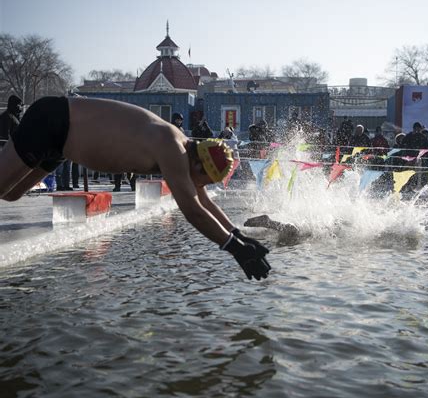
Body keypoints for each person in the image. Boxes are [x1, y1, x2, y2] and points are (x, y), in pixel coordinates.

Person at [0, 96, 271, 280]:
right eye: (206, 181)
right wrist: (235, 248)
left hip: (61, 142)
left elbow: (203, 203)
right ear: (200, 166)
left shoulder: (186, 151)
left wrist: (239, 236)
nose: (202, 187)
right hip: (54, 121)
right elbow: (193, 211)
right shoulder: (172, 148)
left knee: (11, 194)